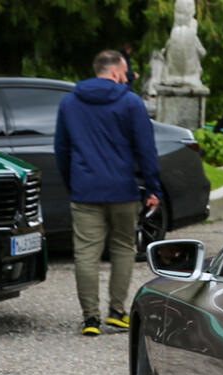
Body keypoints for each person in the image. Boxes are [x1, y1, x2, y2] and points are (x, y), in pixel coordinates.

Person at [54, 50, 164, 337]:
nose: (126, 77)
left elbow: (61, 150)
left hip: (85, 191)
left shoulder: (69, 103)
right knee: (123, 248)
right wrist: (153, 187)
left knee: (86, 254)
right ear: (116, 72)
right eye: (125, 72)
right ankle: (117, 312)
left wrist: (72, 183)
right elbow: (146, 149)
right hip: (122, 191)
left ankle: (90, 319)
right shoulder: (130, 103)